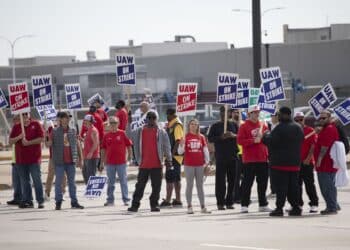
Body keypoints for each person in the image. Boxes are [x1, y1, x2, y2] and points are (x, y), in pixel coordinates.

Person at [262, 107, 304, 216]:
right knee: (293, 187)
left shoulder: (279, 128)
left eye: (279, 114)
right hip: (294, 163)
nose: (277, 116)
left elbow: (271, 142)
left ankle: (279, 208)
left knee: (281, 187)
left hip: (280, 163)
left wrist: (265, 135)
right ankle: (296, 207)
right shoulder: (298, 127)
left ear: (285, 114)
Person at [128, 111, 172, 212]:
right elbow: (129, 135)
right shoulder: (139, 131)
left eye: (153, 118)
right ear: (146, 119)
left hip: (157, 164)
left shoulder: (161, 132)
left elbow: (167, 146)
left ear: (156, 119)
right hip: (143, 164)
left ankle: (154, 205)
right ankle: (135, 205)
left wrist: (169, 160)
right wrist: (128, 122)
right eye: (149, 117)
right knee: (139, 186)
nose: (151, 120)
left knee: (156, 187)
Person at [237, 105, 271, 213]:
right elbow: (240, 141)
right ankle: (244, 204)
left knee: (263, 183)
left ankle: (263, 204)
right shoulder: (244, 126)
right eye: (254, 112)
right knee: (247, 183)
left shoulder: (263, 124)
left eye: (258, 112)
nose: (257, 114)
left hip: (262, 158)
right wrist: (252, 141)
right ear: (249, 114)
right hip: (249, 160)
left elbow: (268, 139)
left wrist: (265, 137)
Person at [48, 111, 84, 210]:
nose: (67, 119)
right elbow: (48, 144)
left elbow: (77, 145)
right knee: (59, 182)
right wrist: (46, 138)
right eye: (65, 117)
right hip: (59, 161)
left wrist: (81, 159)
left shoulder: (72, 130)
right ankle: (58, 202)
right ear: (61, 119)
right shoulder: (54, 131)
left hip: (71, 161)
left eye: (68, 118)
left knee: (72, 183)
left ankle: (74, 202)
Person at [9, 112, 45, 209]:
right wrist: (19, 137)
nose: (24, 116)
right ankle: (28, 201)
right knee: (25, 182)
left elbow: (42, 138)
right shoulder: (16, 127)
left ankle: (40, 201)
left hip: (34, 158)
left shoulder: (36, 124)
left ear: (29, 115)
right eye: (22, 114)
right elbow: (10, 141)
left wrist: (29, 142)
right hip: (21, 159)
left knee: (37, 180)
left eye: (26, 114)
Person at [207, 106, 238, 210]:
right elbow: (210, 139)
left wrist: (233, 135)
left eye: (227, 111)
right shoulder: (215, 126)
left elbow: (240, 136)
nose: (225, 113)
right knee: (220, 181)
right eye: (223, 111)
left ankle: (230, 201)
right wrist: (221, 137)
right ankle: (220, 202)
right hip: (220, 157)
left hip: (233, 156)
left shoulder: (234, 124)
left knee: (232, 180)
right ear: (220, 113)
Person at [178, 118, 211, 214]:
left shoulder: (201, 137)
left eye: (195, 124)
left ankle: (203, 206)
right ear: (188, 126)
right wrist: (182, 145)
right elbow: (180, 152)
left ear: (198, 126)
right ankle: (189, 206)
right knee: (189, 185)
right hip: (189, 165)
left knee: (200, 186)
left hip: (200, 165)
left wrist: (207, 162)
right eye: (191, 124)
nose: (193, 126)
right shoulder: (185, 137)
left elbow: (205, 150)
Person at [101, 116, 133, 206]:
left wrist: (130, 157)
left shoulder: (122, 133)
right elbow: (103, 149)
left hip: (121, 162)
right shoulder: (106, 136)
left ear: (118, 124)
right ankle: (110, 200)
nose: (113, 125)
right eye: (111, 123)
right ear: (109, 124)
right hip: (110, 163)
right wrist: (101, 162)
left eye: (114, 123)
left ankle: (126, 199)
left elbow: (129, 145)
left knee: (123, 181)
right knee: (111, 182)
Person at [314, 110, 340, 215]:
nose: (321, 120)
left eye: (324, 118)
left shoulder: (329, 129)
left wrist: (319, 159)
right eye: (320, 118)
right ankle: (334, 205)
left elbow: (324, 147)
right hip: (326, 164)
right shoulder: (326, 129)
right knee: (329, 186)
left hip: (326, 164)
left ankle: (332, 207)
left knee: (326, 187)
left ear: (329, 118)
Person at [293, 111, 319, 213]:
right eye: (297, 120)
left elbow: (313, 145)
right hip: (296, 162)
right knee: (296, 185)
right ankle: (298, 204)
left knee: (309, 184)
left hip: (307, 162)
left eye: (301, 119)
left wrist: (308, 158)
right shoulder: (293, 131)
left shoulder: (310, 130)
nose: (299, 121)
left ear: (304, 119)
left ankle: (314, 203)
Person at [160, 108, 184, 207]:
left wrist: (170, 156)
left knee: (171, 178)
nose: (167, 117)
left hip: (174, 157)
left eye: (167, 115)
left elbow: (178, 141)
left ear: (172, 115)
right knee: (175, 178)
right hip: (172, 157)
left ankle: (168, 200)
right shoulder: (171, 125)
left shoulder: (177, 125)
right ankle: (177, 200)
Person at [44, 119, 67, 201]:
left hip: (62, 157)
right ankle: (47, 193)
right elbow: (47, 144)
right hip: (53, 157)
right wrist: (46, 136)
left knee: (63, 176)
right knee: (51, 175)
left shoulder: (65, 130)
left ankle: (62, 193)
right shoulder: (50, 129)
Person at [7, 115, 24, 206]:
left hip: (21, 160)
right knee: (16, 181)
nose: (14, 121)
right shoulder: (15, 130)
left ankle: (24, 198)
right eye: (13, 119)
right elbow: (10, 142)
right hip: (15, 160)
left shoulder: (23, 129)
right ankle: (17, 198)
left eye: (15, 119)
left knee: (23, 180)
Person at [82, 114, 100, 184]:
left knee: (91, 175)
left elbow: (96, 143)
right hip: (87, 156)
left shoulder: (93, 130)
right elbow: (90, 142)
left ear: (89, 122)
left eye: (85, 121)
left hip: (92, 157)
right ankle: (89, 190)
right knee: (85, 173)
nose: (84, 123)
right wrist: (82, 140)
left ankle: (92, 192)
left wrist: (91, 152)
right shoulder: (89, 130)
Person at [231, 108, 243, 204]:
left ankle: (242, 195)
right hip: (235, 153)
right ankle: (236, 196)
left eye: (238, 112)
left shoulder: (243, 123)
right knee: (236, 176)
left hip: (245, 153)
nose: (237, 114)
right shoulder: (229, 124)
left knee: (247, 176)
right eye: (235, 112)